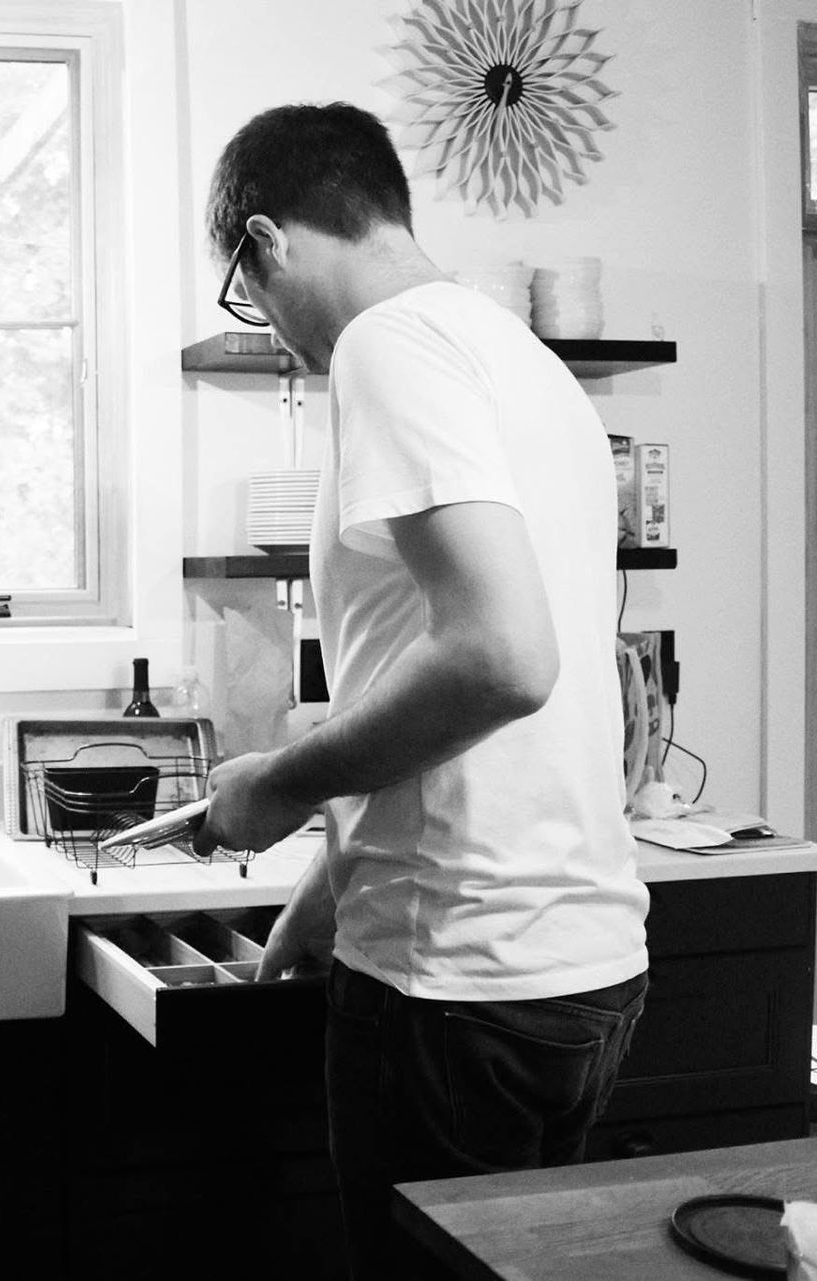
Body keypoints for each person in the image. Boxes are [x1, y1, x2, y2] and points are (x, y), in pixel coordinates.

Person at [193, 102, 649, 1280]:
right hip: (577, 971)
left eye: (248, 293)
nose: (276, 329)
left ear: (268, 240)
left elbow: (503, 660)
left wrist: (279, 788)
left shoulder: (385, 347)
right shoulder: (526, 364)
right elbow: (460, 682)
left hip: (454, 991)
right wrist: (334, 879)